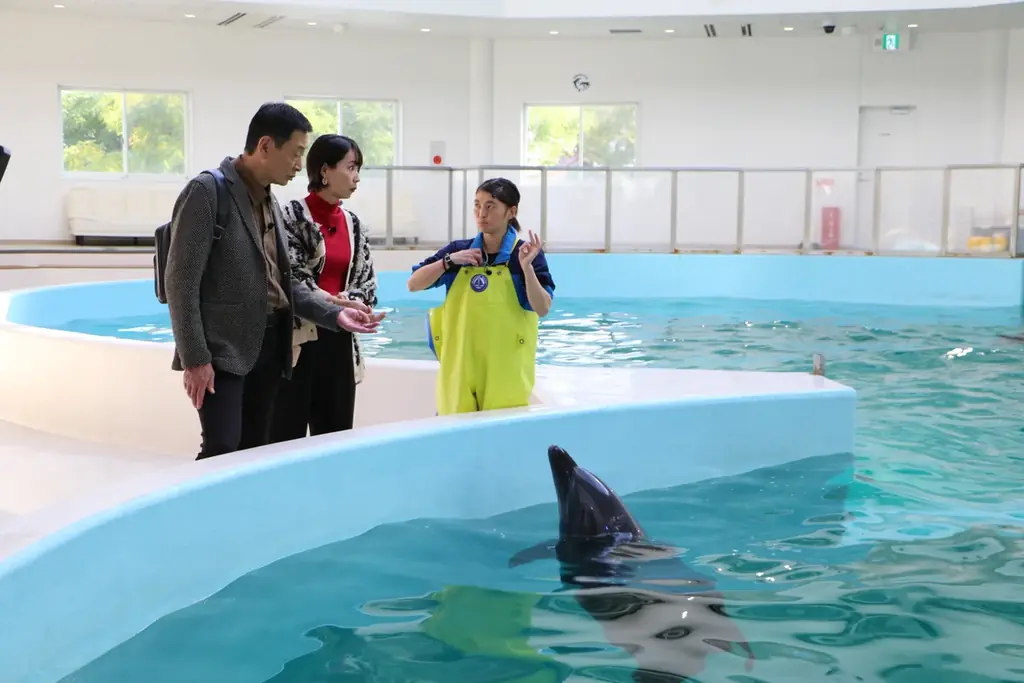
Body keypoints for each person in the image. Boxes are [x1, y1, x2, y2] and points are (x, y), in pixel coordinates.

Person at [164, 102, 383, 461]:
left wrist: (334, 313)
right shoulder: (207, 191)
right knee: (222, 447)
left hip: (271, 349)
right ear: (265, 145)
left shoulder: (269, 202)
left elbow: (284, 284)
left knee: (257, 451)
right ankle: (203, 501)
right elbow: (180, 281)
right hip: (225, 351)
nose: (299, 164)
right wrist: (195, 358)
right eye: (295, 153)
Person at [406, 177, 555, 415]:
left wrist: (527, 268)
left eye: (490, 206)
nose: (481, 213)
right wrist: (448, 262)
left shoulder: (525, 254)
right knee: (455, 430)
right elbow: (413, 284)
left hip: (505, 371)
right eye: (477, 205)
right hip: (460, 368)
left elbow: (543, 308)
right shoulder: (459, 251)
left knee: (500, 431)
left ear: (511, 212)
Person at [270, 134, 380, 442]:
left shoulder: (354, 224)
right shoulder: (290, 216)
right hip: (298, 343)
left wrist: (352, 300)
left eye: (358, 169)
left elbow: (368, 284)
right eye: (351, 167)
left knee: (336, 438)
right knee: (284, 439)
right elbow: (291, 279)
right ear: (325, 171)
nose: (357, 177)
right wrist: (337, 304)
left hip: (340, 341)